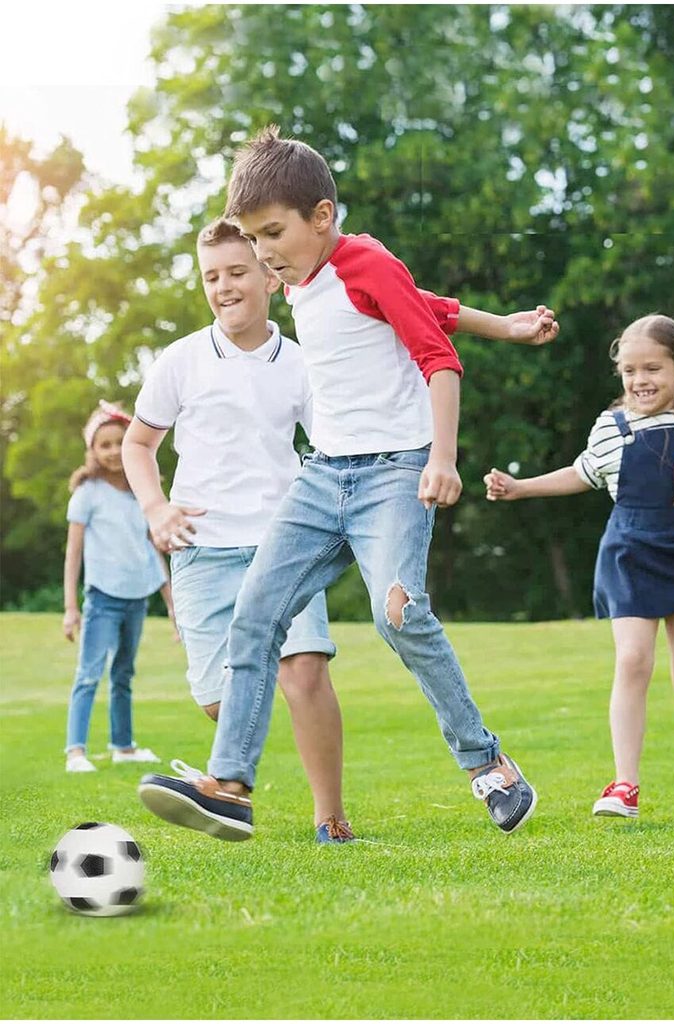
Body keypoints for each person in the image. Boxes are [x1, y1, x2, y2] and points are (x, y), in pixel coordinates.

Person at [137, 126, 549, 840]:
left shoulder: (365, 261)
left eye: (272, 235)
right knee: (255, 615)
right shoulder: (307, 278)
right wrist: (507, 328)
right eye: (253, 239)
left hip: (395, 474)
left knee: (399, 614)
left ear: (322, 216)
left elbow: (438, 356)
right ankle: (229, 787)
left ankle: (489, 764)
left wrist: (442, 457)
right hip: (324, 477)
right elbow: (430, 303)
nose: (263, 254)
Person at [484, 314, 674, 825]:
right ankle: (624, 784)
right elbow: (581, 473)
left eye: (652, 368)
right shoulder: (611, 429)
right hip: (631, 553)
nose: (639, 380)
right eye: (629, 371)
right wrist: (521, 487)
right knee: (632, 662)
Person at [63, 401, 172, 773]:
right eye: (104, 445)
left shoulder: (141, 494)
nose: (112, 451)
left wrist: (171, 603)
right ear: (92, 450)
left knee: (123, 674)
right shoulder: (88, 493)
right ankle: (76, 752)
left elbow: (153, 549)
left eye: (118, 443)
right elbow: (73, 554)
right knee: (89, 673)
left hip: (136, 598)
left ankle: (123, 747)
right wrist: (71, 607)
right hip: (102, 599)